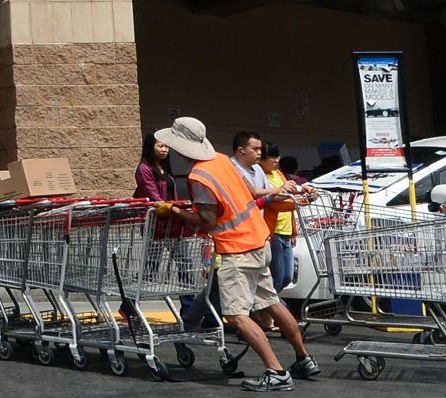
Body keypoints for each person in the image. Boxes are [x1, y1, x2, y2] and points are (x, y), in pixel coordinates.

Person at [157, 116, 317, 392]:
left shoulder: (199, 176)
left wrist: (173, 210)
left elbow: (208, 220)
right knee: (271, 302)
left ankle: (276, 372)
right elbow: (244, 195)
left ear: (181, 147)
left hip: (236, 249)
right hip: (257, 239)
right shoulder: (220, 160)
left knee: (237, 315)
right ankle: (303, 359)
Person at [261, 143, 296, 291]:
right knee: (277, 277)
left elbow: (288, 198)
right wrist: (297, 204)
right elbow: (273, 203)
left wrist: (294, 231)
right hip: (272, 232)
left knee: (288, 277)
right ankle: (268, 310)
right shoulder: (260, 176)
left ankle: (269, 308)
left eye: (278, 157)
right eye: (272, 158)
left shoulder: (279, 173)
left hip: (286, 231)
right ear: (262, 160)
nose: (276, 161)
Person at [136, 132, 174, 201]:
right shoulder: (144, 169)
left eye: (167, 146)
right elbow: (153, 197)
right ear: (150, 147)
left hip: (169, 209)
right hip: (156, 210)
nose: (164, 150)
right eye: (160, 146)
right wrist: (170, 208)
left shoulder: (164, 166)